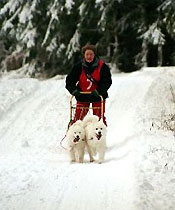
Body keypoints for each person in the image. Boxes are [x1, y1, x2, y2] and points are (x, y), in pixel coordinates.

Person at [65, 44, 112, 126]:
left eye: (91, 54)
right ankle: (76, 135)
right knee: (78, 119)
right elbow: (69, 81)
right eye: (87, 54)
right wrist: (74, 91)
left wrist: (99, 91)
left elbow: (107, 81)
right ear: (84, 55)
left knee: (98, 120)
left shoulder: (103, 67)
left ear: (94, 55)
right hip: (82, 95)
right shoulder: (78, 67)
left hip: (97, 96)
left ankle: (98, 137)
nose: (89, 56)